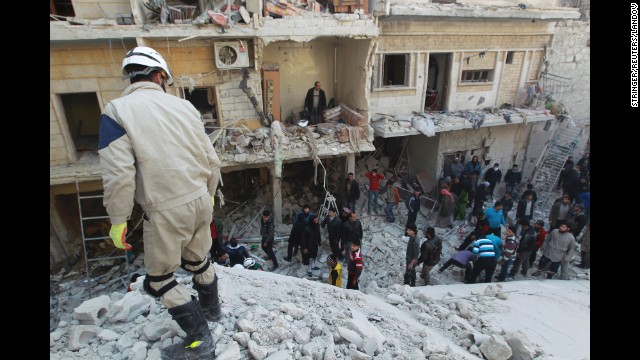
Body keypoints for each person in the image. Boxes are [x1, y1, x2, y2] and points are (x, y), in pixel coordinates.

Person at [99, 46, 222, 358]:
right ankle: (213, 312)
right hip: (200, 197)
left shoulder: (115, 111)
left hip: (165, 208)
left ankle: (200, 341)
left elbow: (119, 176)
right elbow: (213, 160)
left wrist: (118, 220)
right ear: (159, 76)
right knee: (198, 261)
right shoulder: (185, 107)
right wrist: (207, 195)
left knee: (159, 279)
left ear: (131, 77)